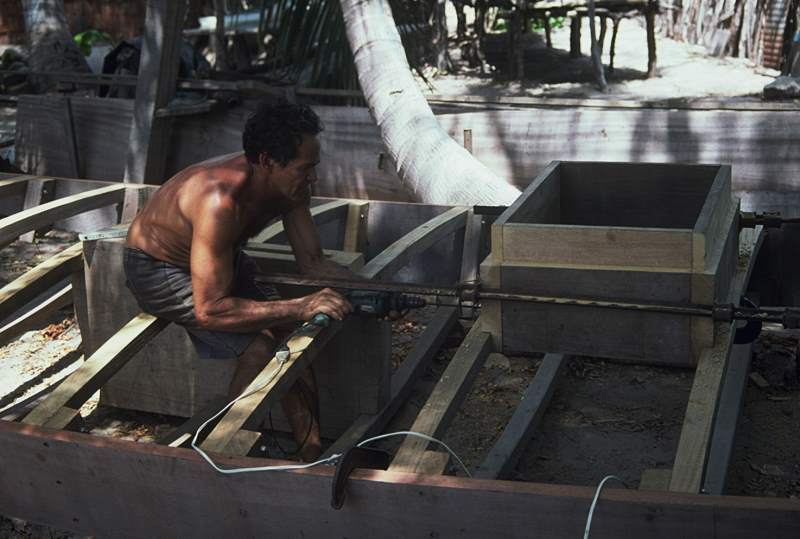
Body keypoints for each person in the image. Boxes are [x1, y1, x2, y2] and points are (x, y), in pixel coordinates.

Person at [123, 100, 357, 461]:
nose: (313, 178)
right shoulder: (219, 202)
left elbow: (313, 263)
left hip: (221, 258)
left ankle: (312, 456)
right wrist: (301, 305)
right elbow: (211, 310)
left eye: (314, 167)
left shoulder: (290, 187)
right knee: (260, 348)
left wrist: (370, 290)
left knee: (292, 335)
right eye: (305, 168)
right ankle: (220, 452)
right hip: (158, 268)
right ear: (267, 161)